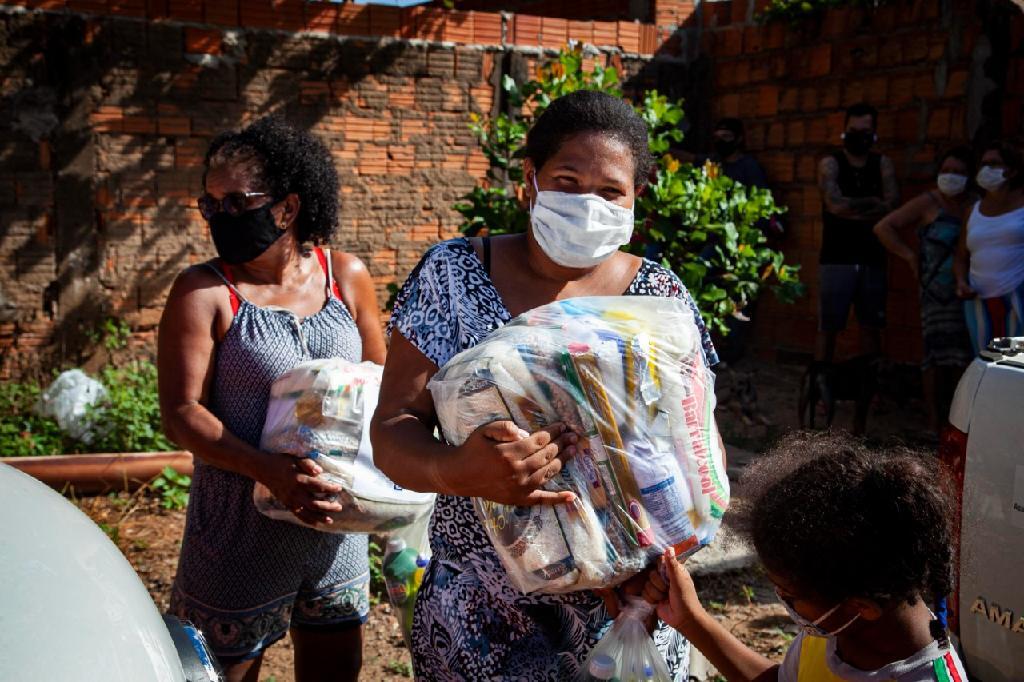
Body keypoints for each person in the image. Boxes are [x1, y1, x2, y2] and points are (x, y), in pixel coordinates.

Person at [371, 90, 718, 681]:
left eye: (611, 191)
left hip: (629, 608)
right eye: (567, 179)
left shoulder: (659, 299)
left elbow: (698, 449)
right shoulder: (453, 276)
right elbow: (392, 428)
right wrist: (456, 471)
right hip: (483, 615)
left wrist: (662, 559)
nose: (588, 203)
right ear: (530, 180)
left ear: (637, 199)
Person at [158, 116, 387, 682]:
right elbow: (182, 414)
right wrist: (271, 472)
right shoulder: (204, 292)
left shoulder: (346, 276)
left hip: (335, 523)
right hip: (238, 530)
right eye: (211, 205)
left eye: (238, 202)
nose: (221, 218)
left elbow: (382, 373)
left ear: (287, 208)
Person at [642, 432, 968, 682]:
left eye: (792, 597)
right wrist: (690, 619)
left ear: (862, 606)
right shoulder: (837, 629)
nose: (786, 606)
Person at [873, 146, 976, 432]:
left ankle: (958, 418)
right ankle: (932, 419)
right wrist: (909, 256)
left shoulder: (974, 205)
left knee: (962, 357)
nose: (951, 177)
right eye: (946, 171)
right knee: (934, 355)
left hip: (967, 289)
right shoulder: (927, 203)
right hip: (934, 290)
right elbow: (884, 228)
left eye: (958, 172)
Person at [817, 102, 899, 363]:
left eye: (865, 131)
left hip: (872, 257)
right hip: (836, 257)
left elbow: (892, 206)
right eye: (854, 130)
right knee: (828, 326)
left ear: (874, 134)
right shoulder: (831, 163)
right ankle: (822, 387)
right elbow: (835, 206)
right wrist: (872, 203)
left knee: (871, 327)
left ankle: (870, 391)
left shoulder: (882, 164)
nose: (859, 136)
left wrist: (854, 206)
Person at [953, 139, 1024, 354]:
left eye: (994, 164)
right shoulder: (972, 211)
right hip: (979, 303)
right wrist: (960, 282)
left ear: (1011, 171)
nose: (986, 170)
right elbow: (960, 256)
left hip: (1017, 300)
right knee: (988, 365)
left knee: (1015, 363)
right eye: (983, 164)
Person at [707, 117, 769, 191]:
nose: (720, 141)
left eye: (726, 136)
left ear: (739, 139)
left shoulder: (749, 167)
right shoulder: (713, 163)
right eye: (717, 137)